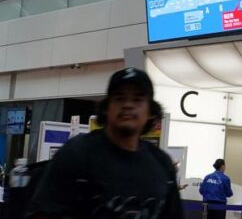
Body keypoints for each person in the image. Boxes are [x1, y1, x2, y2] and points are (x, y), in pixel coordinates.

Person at [29, 67, 183, 219]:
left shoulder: (161, 164)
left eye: (138, 99)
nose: (128, 105)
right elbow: (42, 212)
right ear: (106, 108)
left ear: (151, 112)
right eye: (119, 98)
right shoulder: (78, 153)